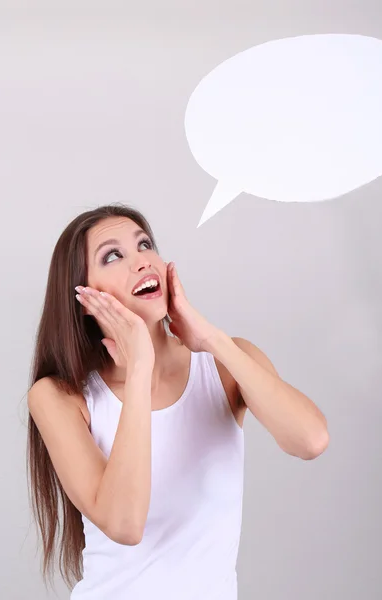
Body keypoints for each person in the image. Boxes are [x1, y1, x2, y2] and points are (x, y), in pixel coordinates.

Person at [26, 203, 329, 600]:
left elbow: (310, 440)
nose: (142, 262)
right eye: (113, 255)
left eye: (145, 244)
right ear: (84, 296)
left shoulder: (225, 365)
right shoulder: (59, 396)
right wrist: (138, 370)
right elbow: (124, 523)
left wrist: (213, 341)